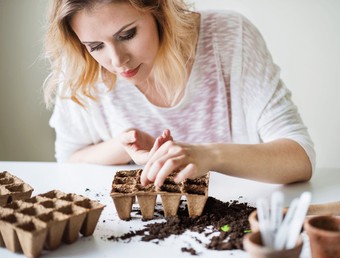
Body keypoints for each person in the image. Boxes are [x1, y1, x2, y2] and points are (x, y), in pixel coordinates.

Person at [44, 0, 315, 187]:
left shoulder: (229, 38)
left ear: (159, 10)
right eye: (95, 45)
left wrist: (209, 156)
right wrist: (123, 146)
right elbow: (70, 159)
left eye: (127, 35)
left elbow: (299, 159)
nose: (117, 61)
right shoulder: (82, 66)